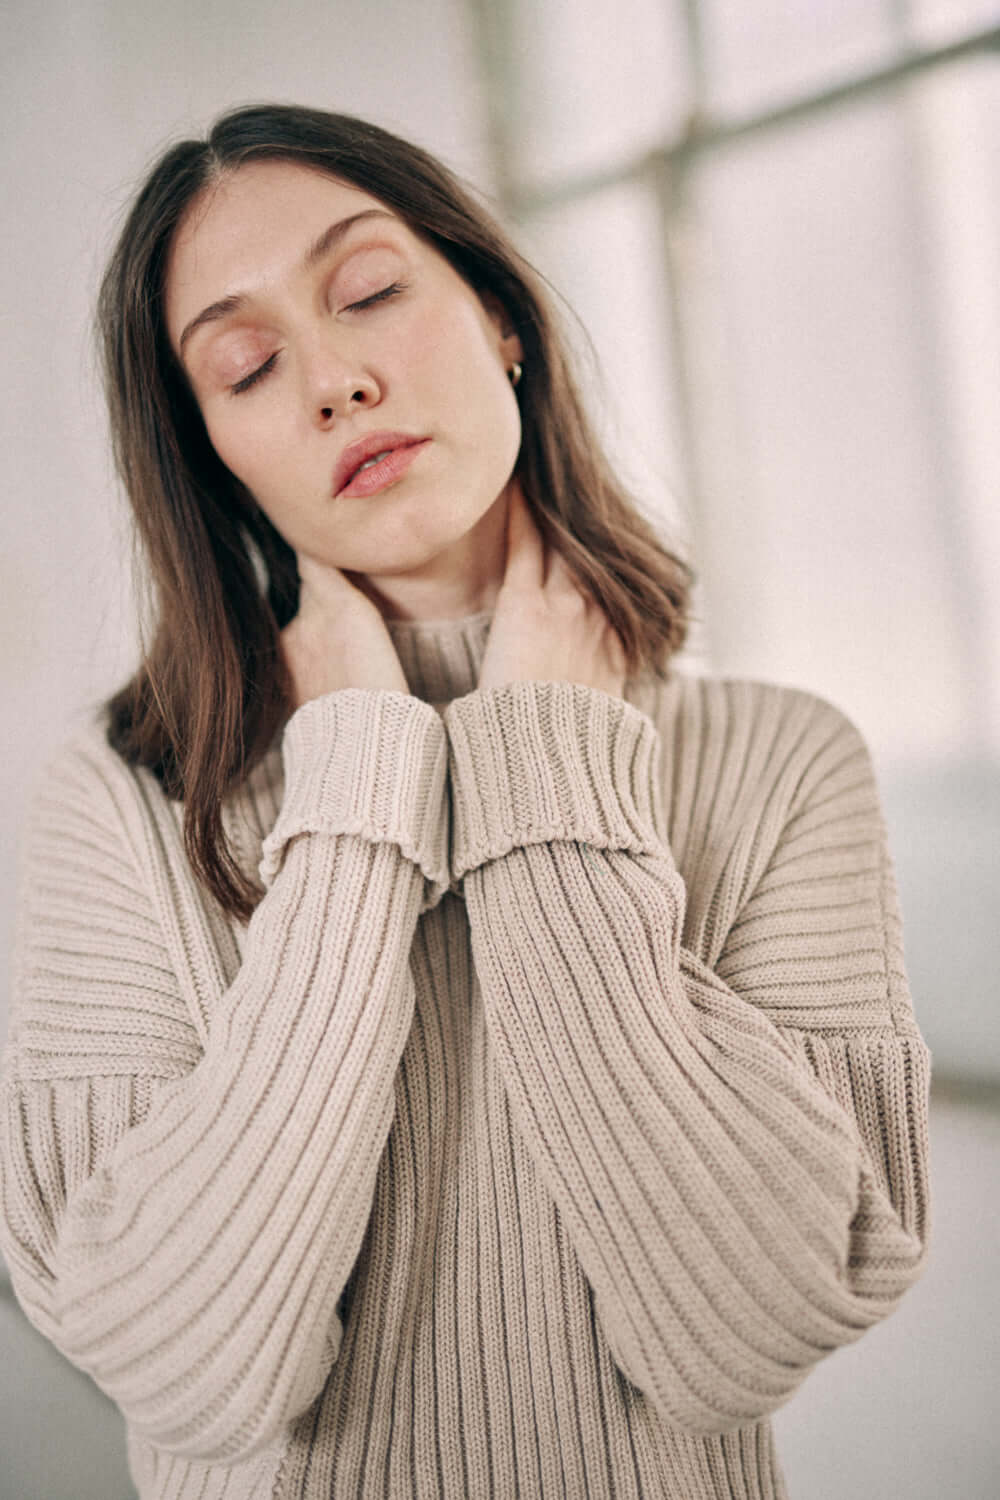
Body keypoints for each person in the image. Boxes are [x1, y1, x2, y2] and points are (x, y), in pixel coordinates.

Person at [0, 103, 931, 1500]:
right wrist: (362, 783)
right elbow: (183, 1366)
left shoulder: (785, 762)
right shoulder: (125, 802)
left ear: (501, 313)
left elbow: (747, 1330)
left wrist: (543, 760)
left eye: (368, 291)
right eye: (248, 368)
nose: (332, 382)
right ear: (215, 458)